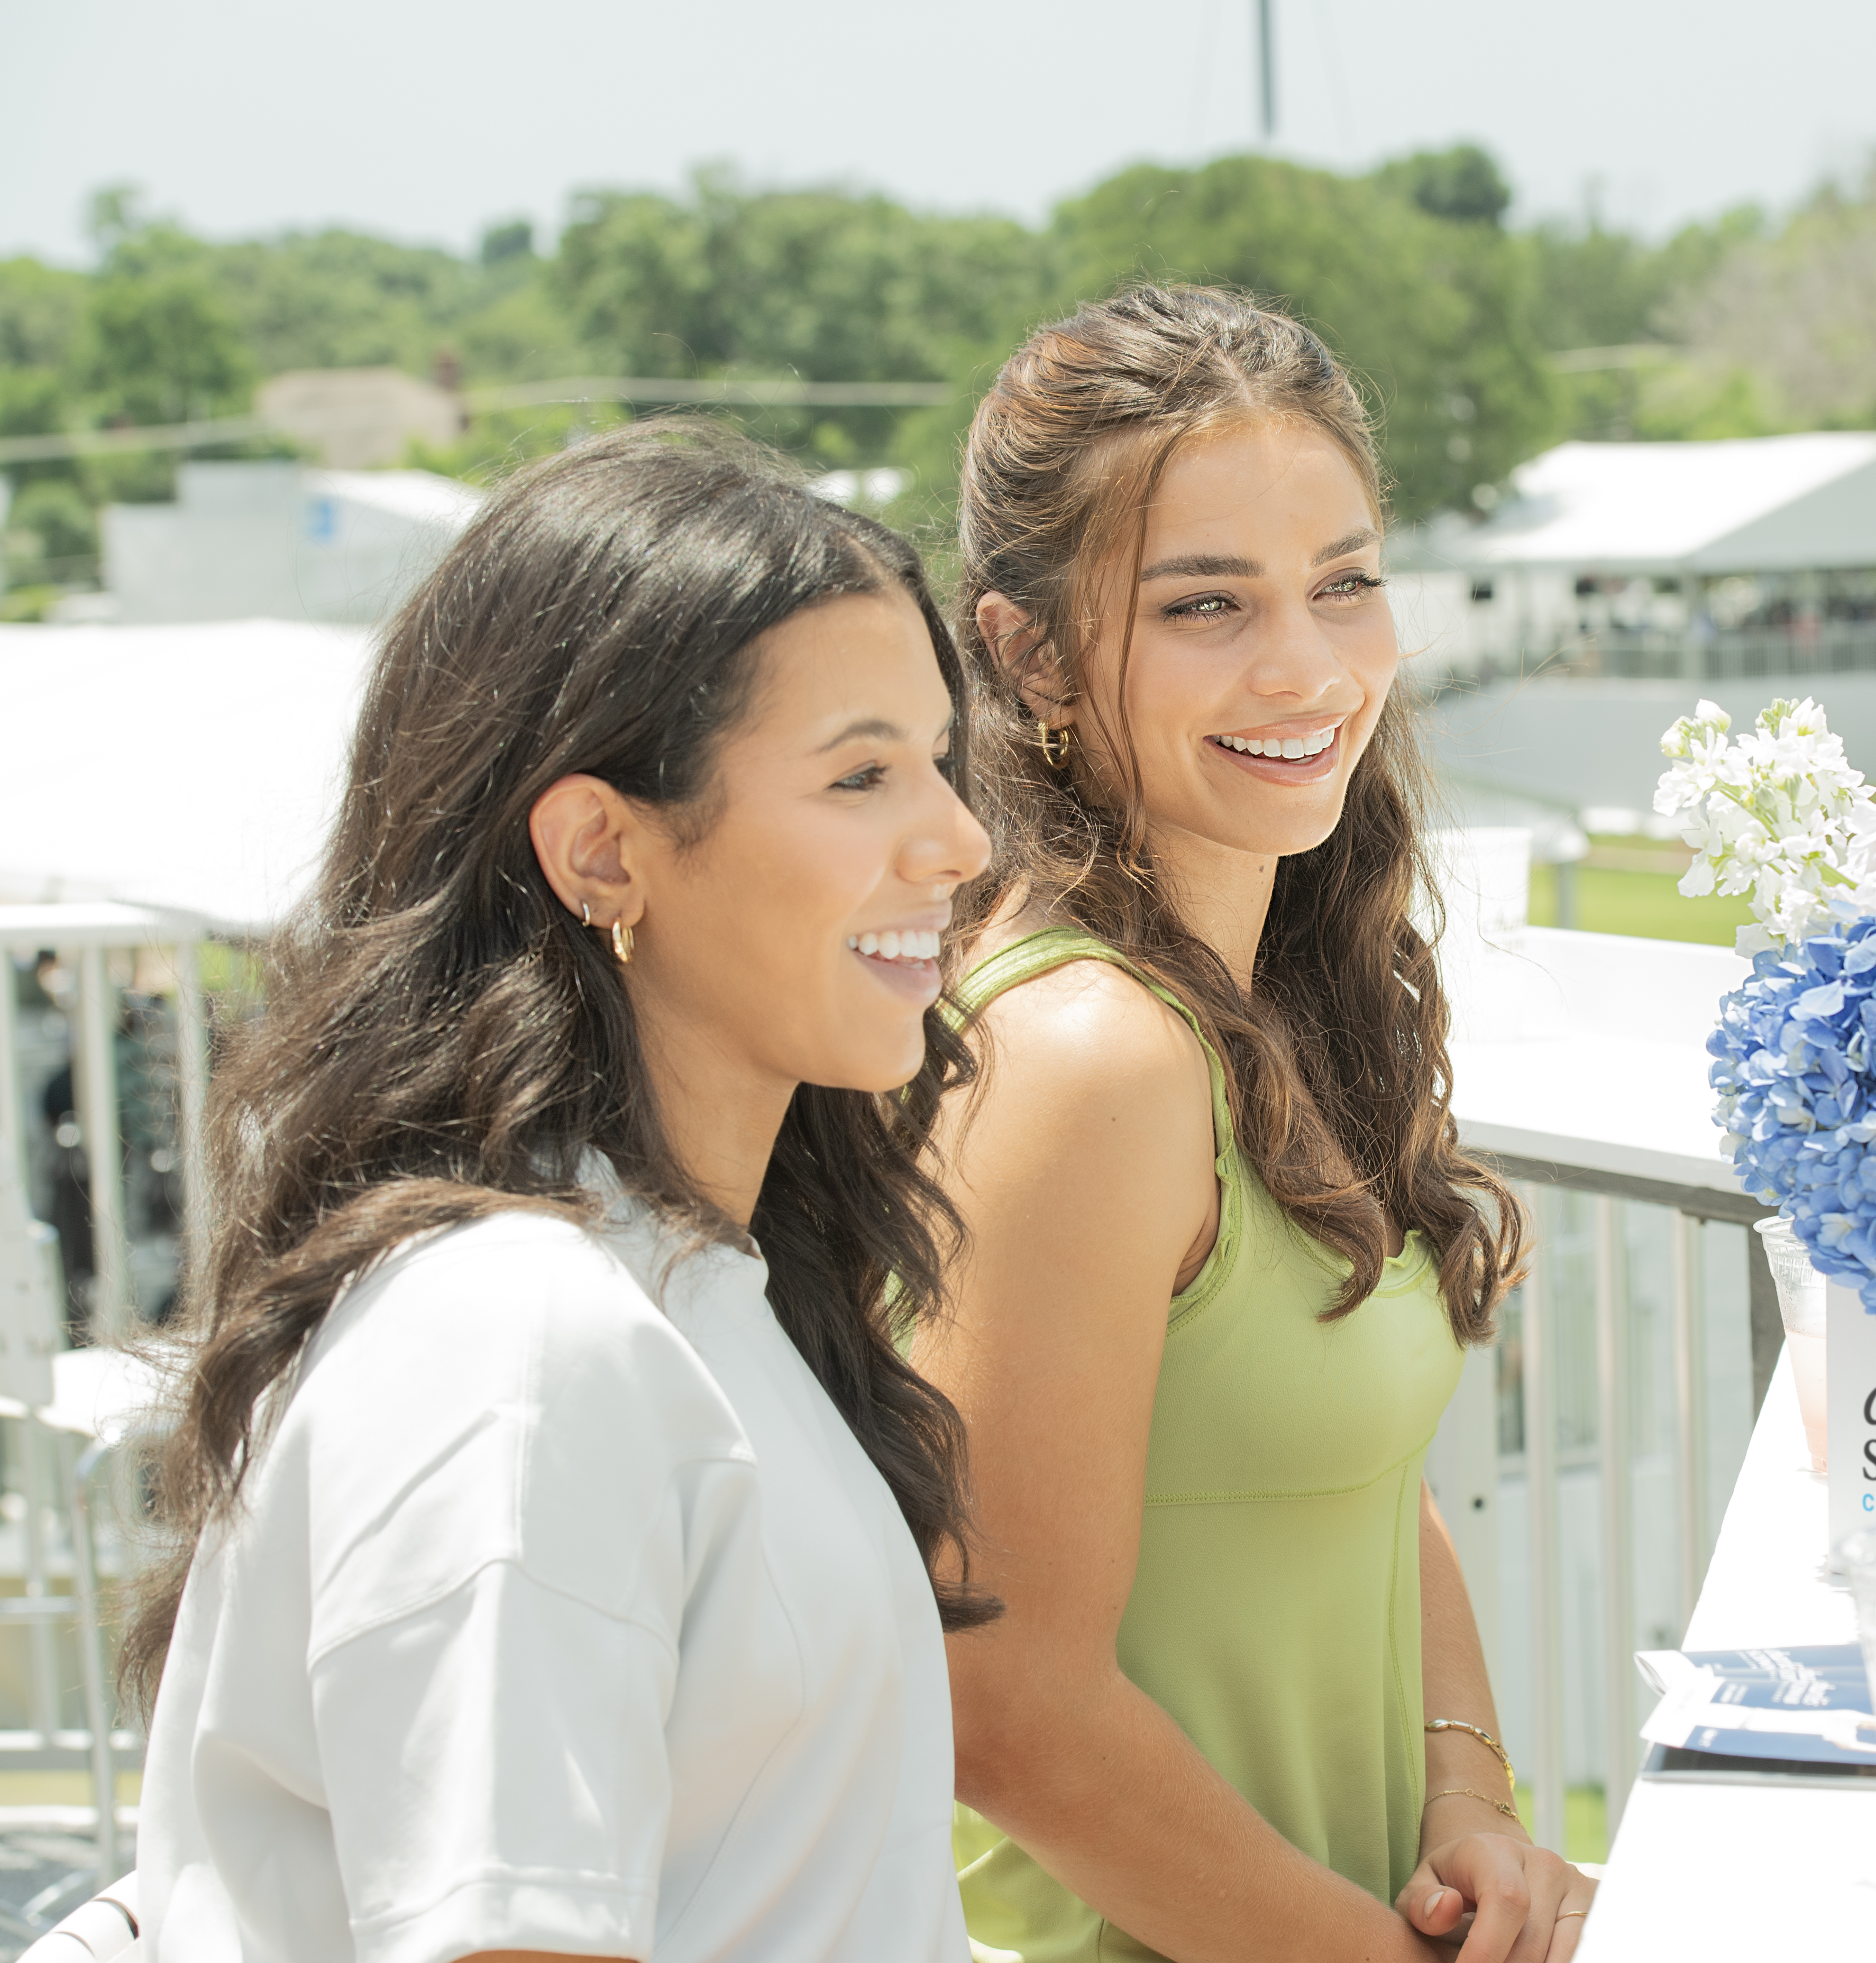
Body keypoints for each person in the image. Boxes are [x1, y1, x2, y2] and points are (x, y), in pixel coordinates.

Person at [126, 423, 995, 1963]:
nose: (961, 839)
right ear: (601, 849)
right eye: (862, 773)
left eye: (941, 757)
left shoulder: (697, 1291)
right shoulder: (521, 1344)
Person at [918, 286, 1598, 1963]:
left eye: (1345, 585)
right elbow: (1005, 1711)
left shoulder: (1278, 986)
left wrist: (1471, 1806)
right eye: (1206, 604)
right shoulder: (1085, 1056)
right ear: (1027, 653)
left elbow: (1357, 1465)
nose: (1306, 667)